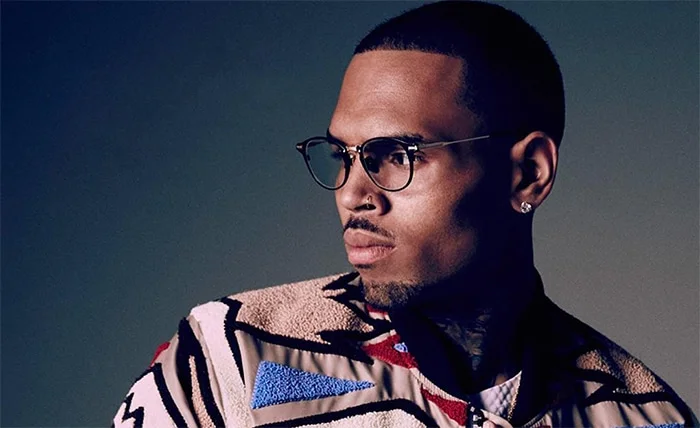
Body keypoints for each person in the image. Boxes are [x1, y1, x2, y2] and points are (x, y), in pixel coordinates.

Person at [113, 2, 697, 427]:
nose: (353, 193)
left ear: (528, 174)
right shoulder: (230, 358)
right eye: (342, 156)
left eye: (397, 155)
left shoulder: (647, 416)